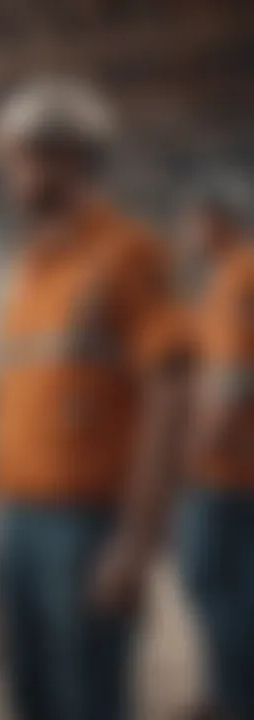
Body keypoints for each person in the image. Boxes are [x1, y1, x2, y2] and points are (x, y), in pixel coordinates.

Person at [0, 79, 187, 720]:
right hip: (16, 522)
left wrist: (136, 540)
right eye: (11, 158)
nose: (12, 174)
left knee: (88, 702)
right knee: (29, 696)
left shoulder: (128, 252)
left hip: (86, 527)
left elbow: (173, 390)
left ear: (68, 157)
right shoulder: (26, 271)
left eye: (22, 157)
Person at [175, 190, 254, 720]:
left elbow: (233, 380)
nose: (187, 235)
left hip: (230, 468)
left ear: (214, 220)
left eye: (192, 223)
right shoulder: (227, 278)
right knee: (227, 582)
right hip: (235, 465)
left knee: (210, 577)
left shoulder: (237, 278)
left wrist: (197, 452)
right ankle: (227, 690)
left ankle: (234, 697)